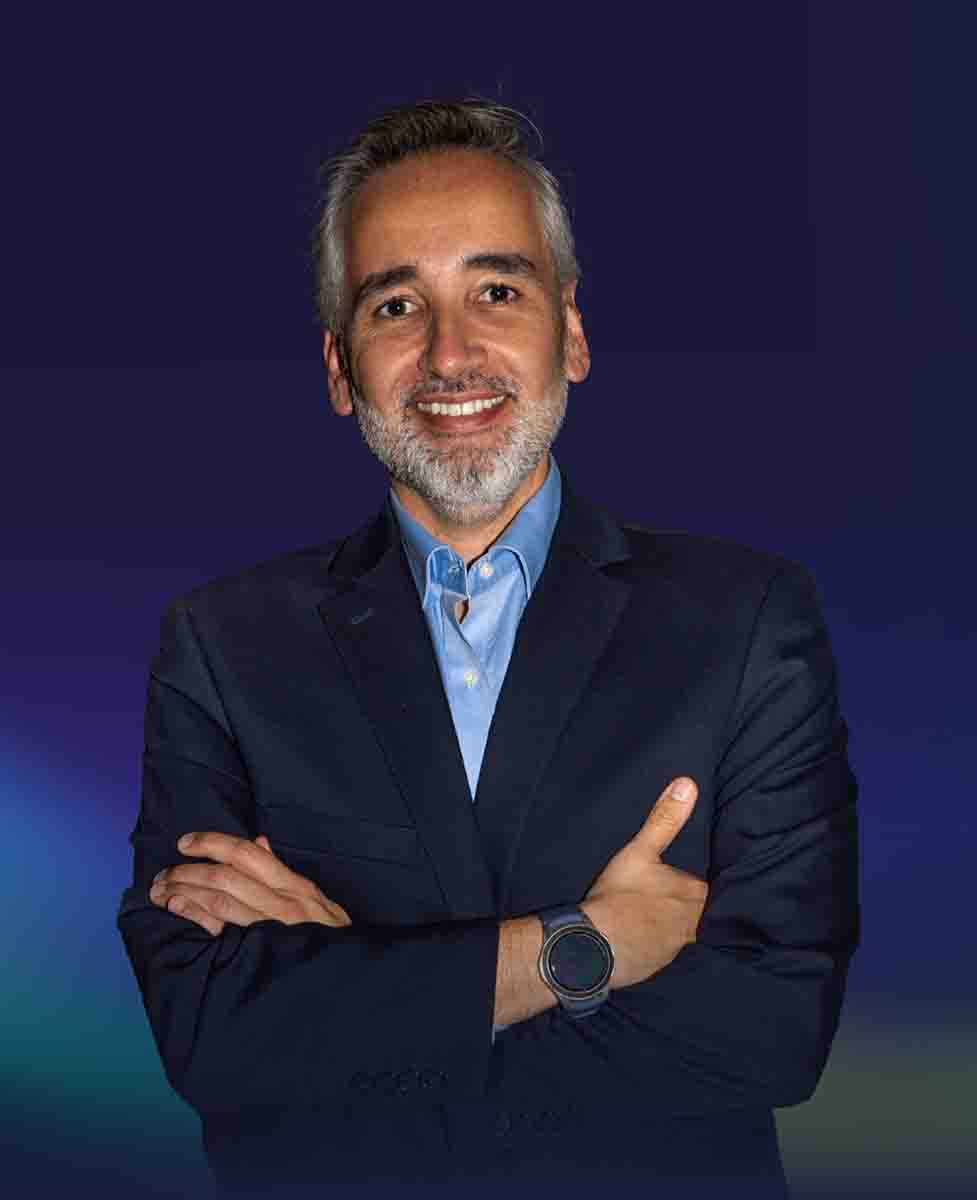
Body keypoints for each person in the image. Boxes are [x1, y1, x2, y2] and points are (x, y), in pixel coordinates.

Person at [117, 99, 860, 1199]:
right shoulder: (222, 646)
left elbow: (770, 1033)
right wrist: (580, 947)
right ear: (338, 367)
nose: (449, 353)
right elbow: (212, 1037)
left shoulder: (747, 620)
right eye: (395, 305)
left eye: (496, 292)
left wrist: (355, 983)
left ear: (572, 332)